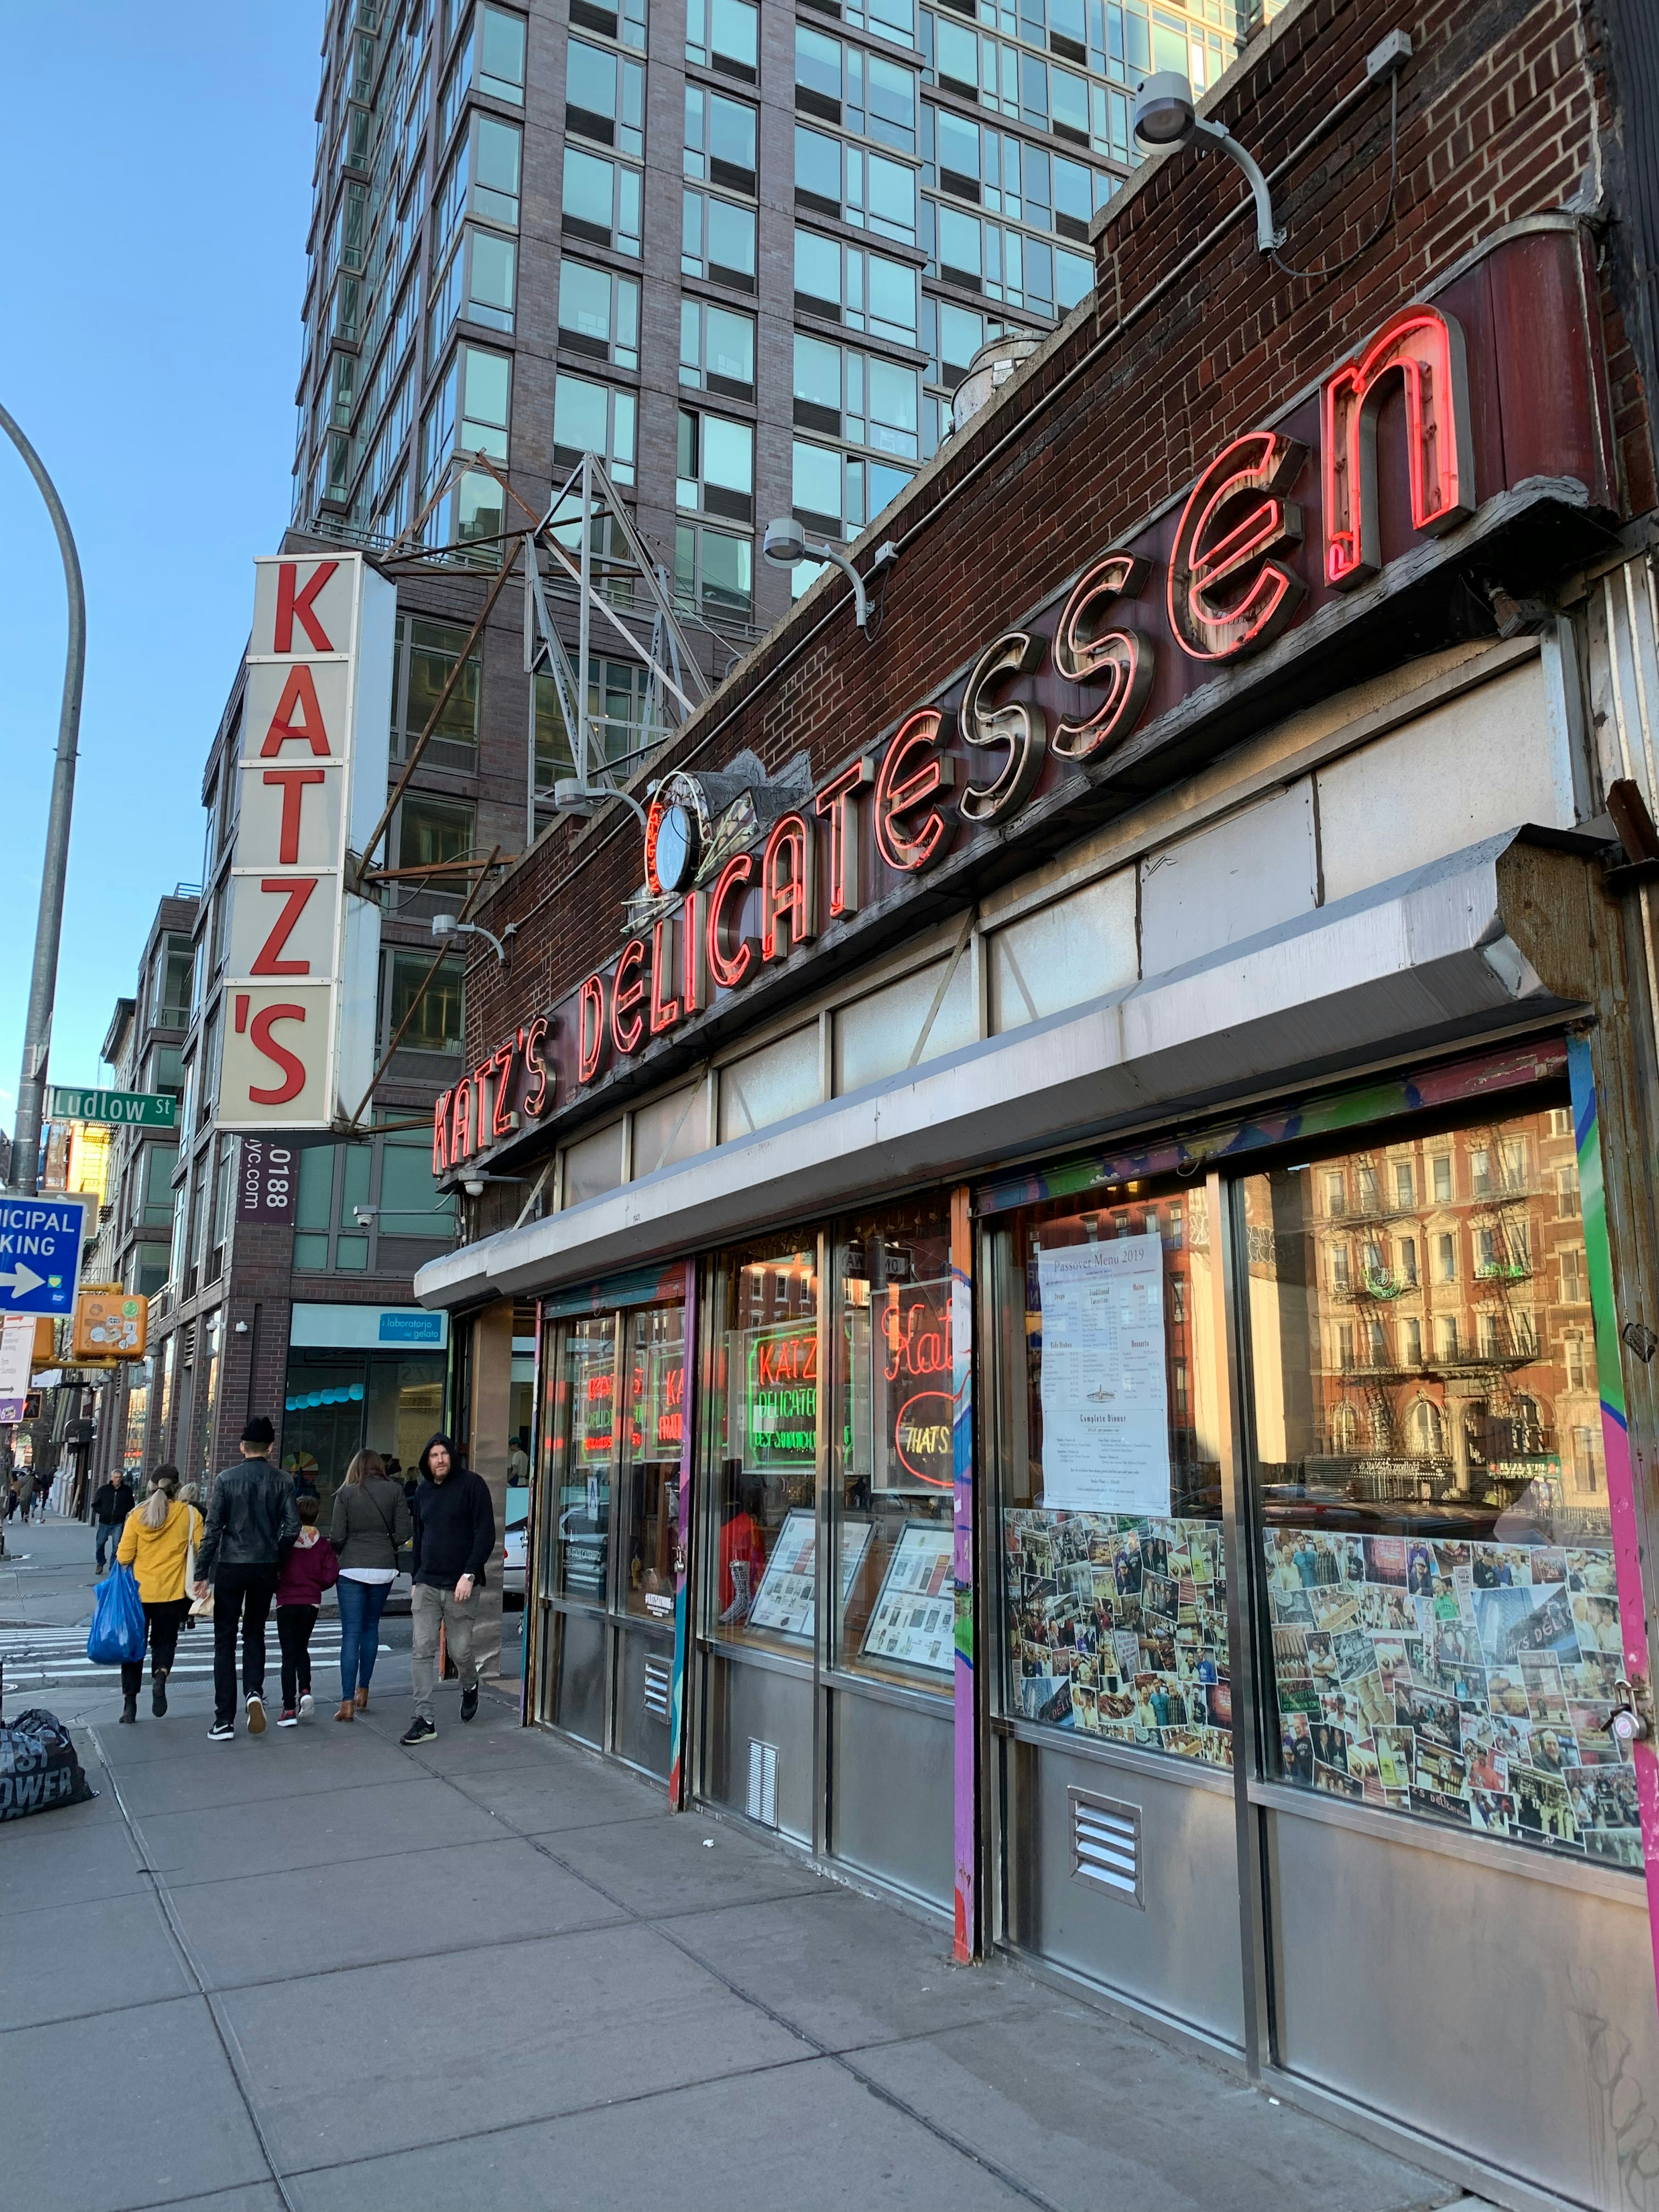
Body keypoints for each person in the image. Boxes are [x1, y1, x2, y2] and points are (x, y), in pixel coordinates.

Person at [193, 1416, 300, 1742]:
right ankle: (254, 1691)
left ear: (242, 1447)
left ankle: (224, 1719)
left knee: (224, 1640)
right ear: (270, 1447)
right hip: (265, 1565)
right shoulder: (283, 1481)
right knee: (255, 1633)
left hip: (231, 1565)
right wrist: (277, 1556)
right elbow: (293, 1527)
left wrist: (202, 1573)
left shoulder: (226, 1479)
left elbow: (212, 1530)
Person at [401, 1431, 495, 1745]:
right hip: (428, 1582)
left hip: (460, 1585)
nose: (440, 1460)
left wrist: (470, 1574)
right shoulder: (424, 1492)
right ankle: (424, 1718)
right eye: (433, 1456)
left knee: (459, 1650)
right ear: (427, 1462)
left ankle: (470, 1685)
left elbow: (485, 1533)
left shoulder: (473, 1486)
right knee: (421, 1649)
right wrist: (416, 1579)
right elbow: (420, 1537)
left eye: (444, 1454)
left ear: (452, 1456)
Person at [114, 1466, 202, 1723]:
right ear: (178, 1487)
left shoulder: (136, 1515)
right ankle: (160, 1676)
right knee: (165, 1643)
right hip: (172, 1594)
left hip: (138, 1596)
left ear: (151, 1486)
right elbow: (202, 1546)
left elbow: (124, 1556)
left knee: (134, 1649)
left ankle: (130, 1707)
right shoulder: (189, 1514)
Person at [329, 1447, 411, 1720]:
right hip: (384, 1568)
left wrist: (346, 1548)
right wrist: (386, 1546)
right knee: (371, 1627)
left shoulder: (346, 1494)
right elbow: (404, 1532)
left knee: (350, 1634)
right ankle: (364, 1690)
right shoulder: (395, 1491)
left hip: (351, 1568)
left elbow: (338, 1536)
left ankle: (346, 1702)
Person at [273, 1494, 338, 1725]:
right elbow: (332, 1574)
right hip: (311, 1602)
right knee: (302, 1648)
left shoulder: (286, 1540)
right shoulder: (322, 1544)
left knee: (288, 1655)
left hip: (287, 1601)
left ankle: (289, 1709)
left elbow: (275, 1566)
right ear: (317, 1516)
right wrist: (317, 1584)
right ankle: (305, 1690)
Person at [91, 1471, 137, 1576]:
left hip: (118, 1522)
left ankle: (113, 1567)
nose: (118, 1479)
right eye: (116, 1477)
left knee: (117, 1546)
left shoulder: (126, 1491)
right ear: (112, 1478)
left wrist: (124, 1513)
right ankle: (100, 1562)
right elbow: (95, 1505)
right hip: (104, 1521)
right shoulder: (104, 1490)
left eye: (120, 1477)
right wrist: (103, 1512)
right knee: (100, 1544)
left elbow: (131, 1505)